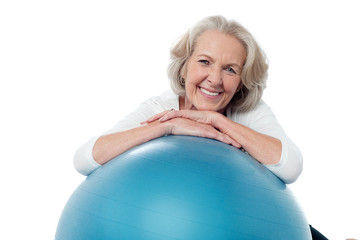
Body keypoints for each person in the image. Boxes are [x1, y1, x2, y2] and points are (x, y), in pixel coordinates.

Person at [73, 15, 329, 240]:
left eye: (230, 69)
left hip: (247, 224)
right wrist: (167, 126)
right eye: (205, 62)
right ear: (184, 67)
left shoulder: (250, 112)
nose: (215, 79)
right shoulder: (161, 106)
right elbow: (84, 159)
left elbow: (291, 166)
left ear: (241, 82)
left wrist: (218, 121)